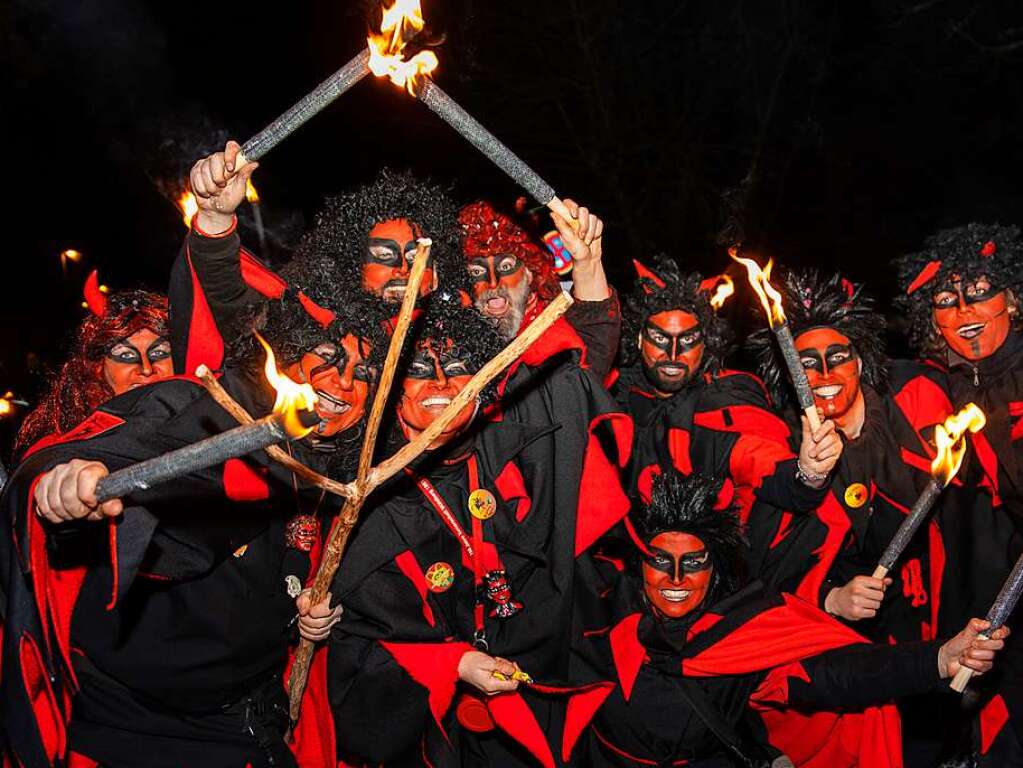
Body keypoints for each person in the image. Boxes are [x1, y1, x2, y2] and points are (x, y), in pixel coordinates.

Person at [0, 279, 383, 767]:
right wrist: (70, 487)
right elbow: (90, 465)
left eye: (363, 371)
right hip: (135, 733)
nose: (342, 382)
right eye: (327, 357)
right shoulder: (195, 404)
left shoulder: (340, 475)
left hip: (246, 730)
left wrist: (305, 607)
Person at [327, 290, 633, 766]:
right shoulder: (365, 491)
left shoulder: (515, 444)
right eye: (421, 371)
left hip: (533, 678)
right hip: (425, 726)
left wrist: (588, 276)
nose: (443, 383)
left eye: (459, 366)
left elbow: (570, 370)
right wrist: (455, 663)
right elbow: (363, 637)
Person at [562, 471, 1009, 767]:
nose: (676, 578)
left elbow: (839, 674)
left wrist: (937, 658)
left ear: (714, 570)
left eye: (694, 562)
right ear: (639, 562)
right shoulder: (602, 616)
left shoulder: (742, 631)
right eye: (660, 560)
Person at [615, 254, 843, 582]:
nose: (674, 353)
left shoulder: (722, 402)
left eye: (689, 340)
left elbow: (758, 459)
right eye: (661, 339)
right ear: (638, 339)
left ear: (706, 346)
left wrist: (809, 472)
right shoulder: (613, 398)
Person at [748, 270, 946, 643]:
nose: (824, 374)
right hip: (844, 644)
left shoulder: (913, 405)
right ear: (791, 378)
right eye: (806, 363)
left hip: (938, 616)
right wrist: (830, 598)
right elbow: (764, 570)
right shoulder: (782, 444)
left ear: (858, 363)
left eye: (837, 357)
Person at [895, 223, 1023, 765]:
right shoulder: (924, 385)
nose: (966, 312)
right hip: (959, 594)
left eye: (980, 293)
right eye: (946, 300)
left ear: (1012, 299)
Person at [459, 199, 620, 379]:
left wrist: (588, 265)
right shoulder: (457, 346)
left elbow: (595, 341)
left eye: (505, 267)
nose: (493, 282)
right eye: (477, 271)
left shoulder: (557, 340)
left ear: (529, 274)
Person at [15, 272, 172, 456]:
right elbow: (37, 472)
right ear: (98, 369)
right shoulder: (65, 446)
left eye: (159, 353)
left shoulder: (203, 421)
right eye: (126, 355)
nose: (146, 369)